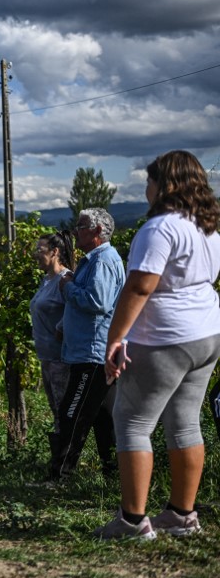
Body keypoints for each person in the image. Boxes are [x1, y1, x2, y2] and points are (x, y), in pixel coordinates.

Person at [96, 151, 220, 540]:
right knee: (185, 422)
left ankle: (132, 521)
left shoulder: (160, 228)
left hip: (163, 337)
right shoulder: (208, 227)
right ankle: (182, 514)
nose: (145, 188)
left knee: (132, 422)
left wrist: (116, 337)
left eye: (149, 181)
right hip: (206, 334)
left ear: (164, 185)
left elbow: (140, 286)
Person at [49, 208, 123, 482]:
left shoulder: (101, 261)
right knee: (102, 417)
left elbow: (98, 302)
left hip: (92, 352)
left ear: (96, 232)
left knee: (72, 412)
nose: (75, 230)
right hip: (92, 349)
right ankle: (113, 475)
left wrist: (67, 287)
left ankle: (60, 475)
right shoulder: (97, 259)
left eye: (81, 226)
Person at [30, 232, 76, 431]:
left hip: (60, 359)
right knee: (56, 412)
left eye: (40, 250)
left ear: (55, 252)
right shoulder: (46, 280)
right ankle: (60, 457)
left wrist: (61, 328)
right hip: (46, 356)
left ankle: (67, 458)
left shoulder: (65, 280)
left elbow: (74, 308)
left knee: (64, 411)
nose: (35, 254)